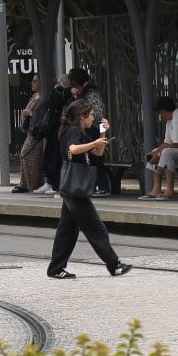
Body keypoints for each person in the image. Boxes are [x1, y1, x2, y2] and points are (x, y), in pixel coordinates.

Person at [46, 98, 130, 281]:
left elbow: (97, 153)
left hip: (71, 187)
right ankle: (114, 265)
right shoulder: (74, 130)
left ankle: (56, 268)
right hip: (74, 188)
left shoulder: (80, 131)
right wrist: (94, 144)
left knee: (67, 231)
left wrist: (102, 134)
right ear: (82, 116)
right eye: (91, 115)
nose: (93, 118)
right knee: (96, 228)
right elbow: (73, 149)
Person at [141, 96, 178, 199]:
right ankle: (156, 189)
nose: (160, 115)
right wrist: (156, 153)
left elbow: (177, 144)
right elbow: (167, 143)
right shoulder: (170, 121)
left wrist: (159, 154)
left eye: (159, 112)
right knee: (154, 152)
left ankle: (169, 190)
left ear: (163, 110)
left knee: (167, 153)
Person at [33, 72, 75, 194]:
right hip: (54, 130)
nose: (57, 86)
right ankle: (51, 182)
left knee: (57, 158)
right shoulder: (58, 94)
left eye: (60, 84)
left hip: (61, 130)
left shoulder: (66, 95)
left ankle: (56, 183)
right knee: (51, 156)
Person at [14, 74, 47, 194]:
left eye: (35, 81)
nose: (32, 83)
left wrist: (30, 114)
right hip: (30, 130)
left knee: (27, 154)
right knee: (25, 155)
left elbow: (40, 115)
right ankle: (25, 183)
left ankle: (32, 184)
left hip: (36, 132)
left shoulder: (42, 98)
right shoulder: (34, 96)